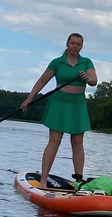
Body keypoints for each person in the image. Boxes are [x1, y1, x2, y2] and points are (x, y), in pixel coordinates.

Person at [21, 33, 98, 188]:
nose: (76, 46)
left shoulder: (86, 62)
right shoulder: (57, 62)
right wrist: (29, 98)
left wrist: (86, 79)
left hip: (78, 105)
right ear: (67, 44)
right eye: (73, 43)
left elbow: (94, 81)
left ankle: (79, 182)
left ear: (81, 46)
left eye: (79, 44)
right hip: (59, 104)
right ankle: (43, 180)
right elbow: (42, 80)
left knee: (78, 143)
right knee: (54, 142)